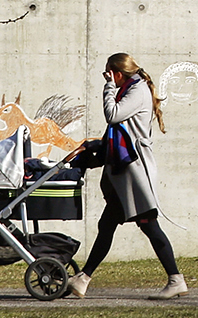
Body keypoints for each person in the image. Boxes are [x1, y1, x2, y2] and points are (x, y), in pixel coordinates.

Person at [66, 53, 186, 299]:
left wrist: (108, 87)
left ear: (118, 73)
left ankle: (176, 280)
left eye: (108, 73)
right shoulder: (131, 88)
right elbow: (120, 129)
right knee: (107, 225)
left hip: (134, 173)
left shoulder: (136, 91)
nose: (107, 78)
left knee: (149, 225)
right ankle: (83, 279)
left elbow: (113, 115)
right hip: (124, 174)